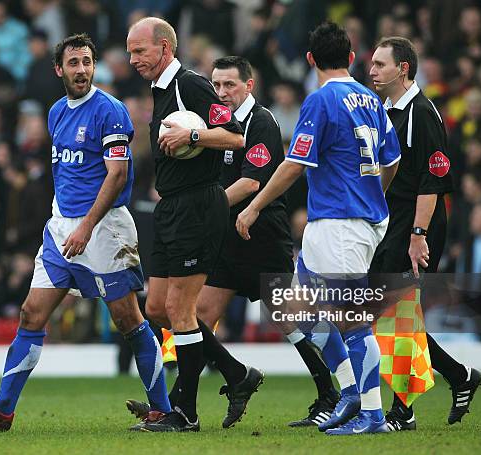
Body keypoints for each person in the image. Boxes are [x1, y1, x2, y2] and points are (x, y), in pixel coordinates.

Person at [0, 33, 171, 431]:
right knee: (31, 313)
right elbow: (66, 173)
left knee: (128, 319)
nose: (82, 70)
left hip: (105, 230)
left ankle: (163, 408)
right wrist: (63, 222)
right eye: (74, 63)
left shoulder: (111, 110)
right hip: (61, 230)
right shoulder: (56, 112)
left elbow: (117, 173)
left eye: (87, 62)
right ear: (59, 69)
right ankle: (3, 410)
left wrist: (86, 226)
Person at [125, 56, 339, 429]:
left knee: (287, 319)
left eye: (230, 86)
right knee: (194, 315)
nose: (222, 93)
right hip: (223, 231)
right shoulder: (208, 120)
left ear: (249, 86)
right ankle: (208, 388)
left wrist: (207, 206)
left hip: (261, 231)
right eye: (218, 86)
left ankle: (329, 392)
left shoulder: (262, 122)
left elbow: (253, 181)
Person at [237, 22, 401, 435]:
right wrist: (373, 196)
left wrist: (254, 206)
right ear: (351, 57)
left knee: (352, 320)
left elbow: (294, 164)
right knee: (294, 307)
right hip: (342, 220)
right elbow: (392, 158)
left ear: (310, 60)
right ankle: (349, 393)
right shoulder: (370, 98)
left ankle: (373, 414)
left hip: (341, 224)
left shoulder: (321, 100)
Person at [126, 18, 257, 432]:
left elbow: (236, 137)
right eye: (130, 53)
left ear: (165, 48)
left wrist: (193, 138)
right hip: (171, 208)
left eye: (140, 51)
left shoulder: (192, 84)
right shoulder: (162, 90)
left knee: (181, 309)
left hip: (198, 205)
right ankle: (236, 373)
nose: (133, 60)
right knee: (156, 308)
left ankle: (185, 413)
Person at [369, 36, 481, 431]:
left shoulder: (423, 113)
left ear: (403, 69)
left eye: (380, 64)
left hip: (414, 225)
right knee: (393, 318)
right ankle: (459, 376)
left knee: (396, 317)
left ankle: (404, 412)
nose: (372, 71)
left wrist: (419, 235)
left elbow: (433, 181)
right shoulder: (387, 110)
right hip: (392, 224)